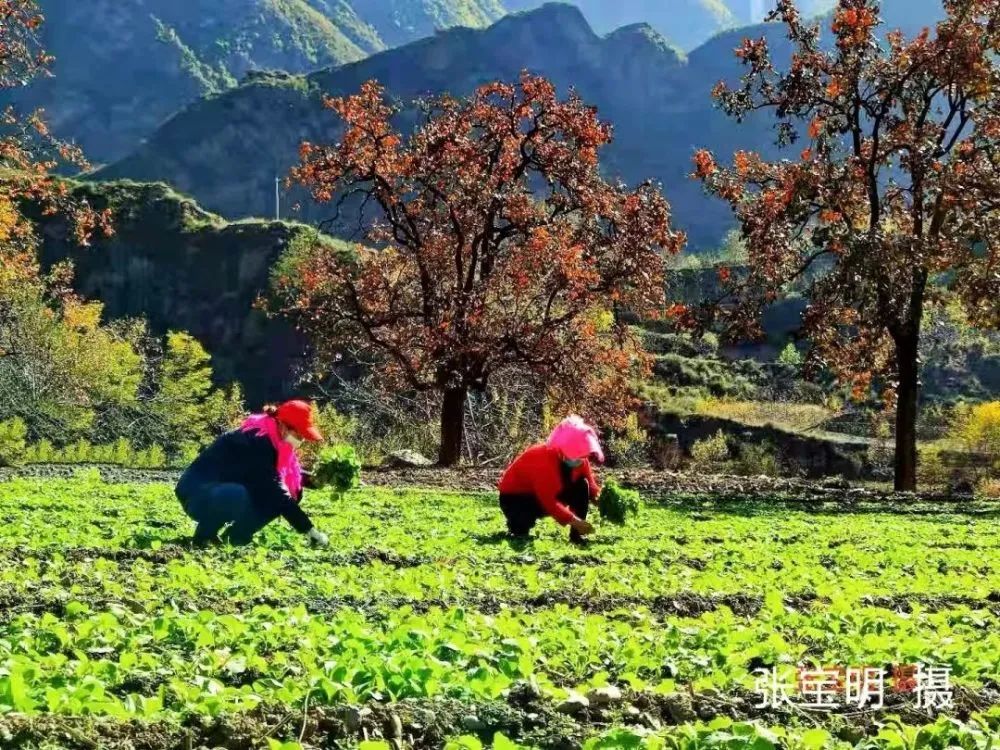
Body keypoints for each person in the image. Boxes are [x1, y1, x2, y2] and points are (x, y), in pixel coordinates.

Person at [175, 400, 330, 547]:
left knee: (294, 490)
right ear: (283, 425)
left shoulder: (276, 442)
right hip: (196, 495)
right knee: (240, 495)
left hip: (217, 491)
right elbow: (274, 487)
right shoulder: (256, 441)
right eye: (299, 434)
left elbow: (280, 473)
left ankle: (236, 535)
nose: (301, 439)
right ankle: (204, 536)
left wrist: (312, 480)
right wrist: (309, 530)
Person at [497, 415, 604, 544]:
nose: (580, 460)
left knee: (582, 485)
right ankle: (516, 525)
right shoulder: (544, 461)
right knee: (521, 528)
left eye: (582, 456)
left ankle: (576, 536)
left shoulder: (581, 461)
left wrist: (602, 500)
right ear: (562, 451)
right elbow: (548, 500)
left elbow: (591, 486)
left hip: (545, 495)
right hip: (516, 498)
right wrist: (574, 521)